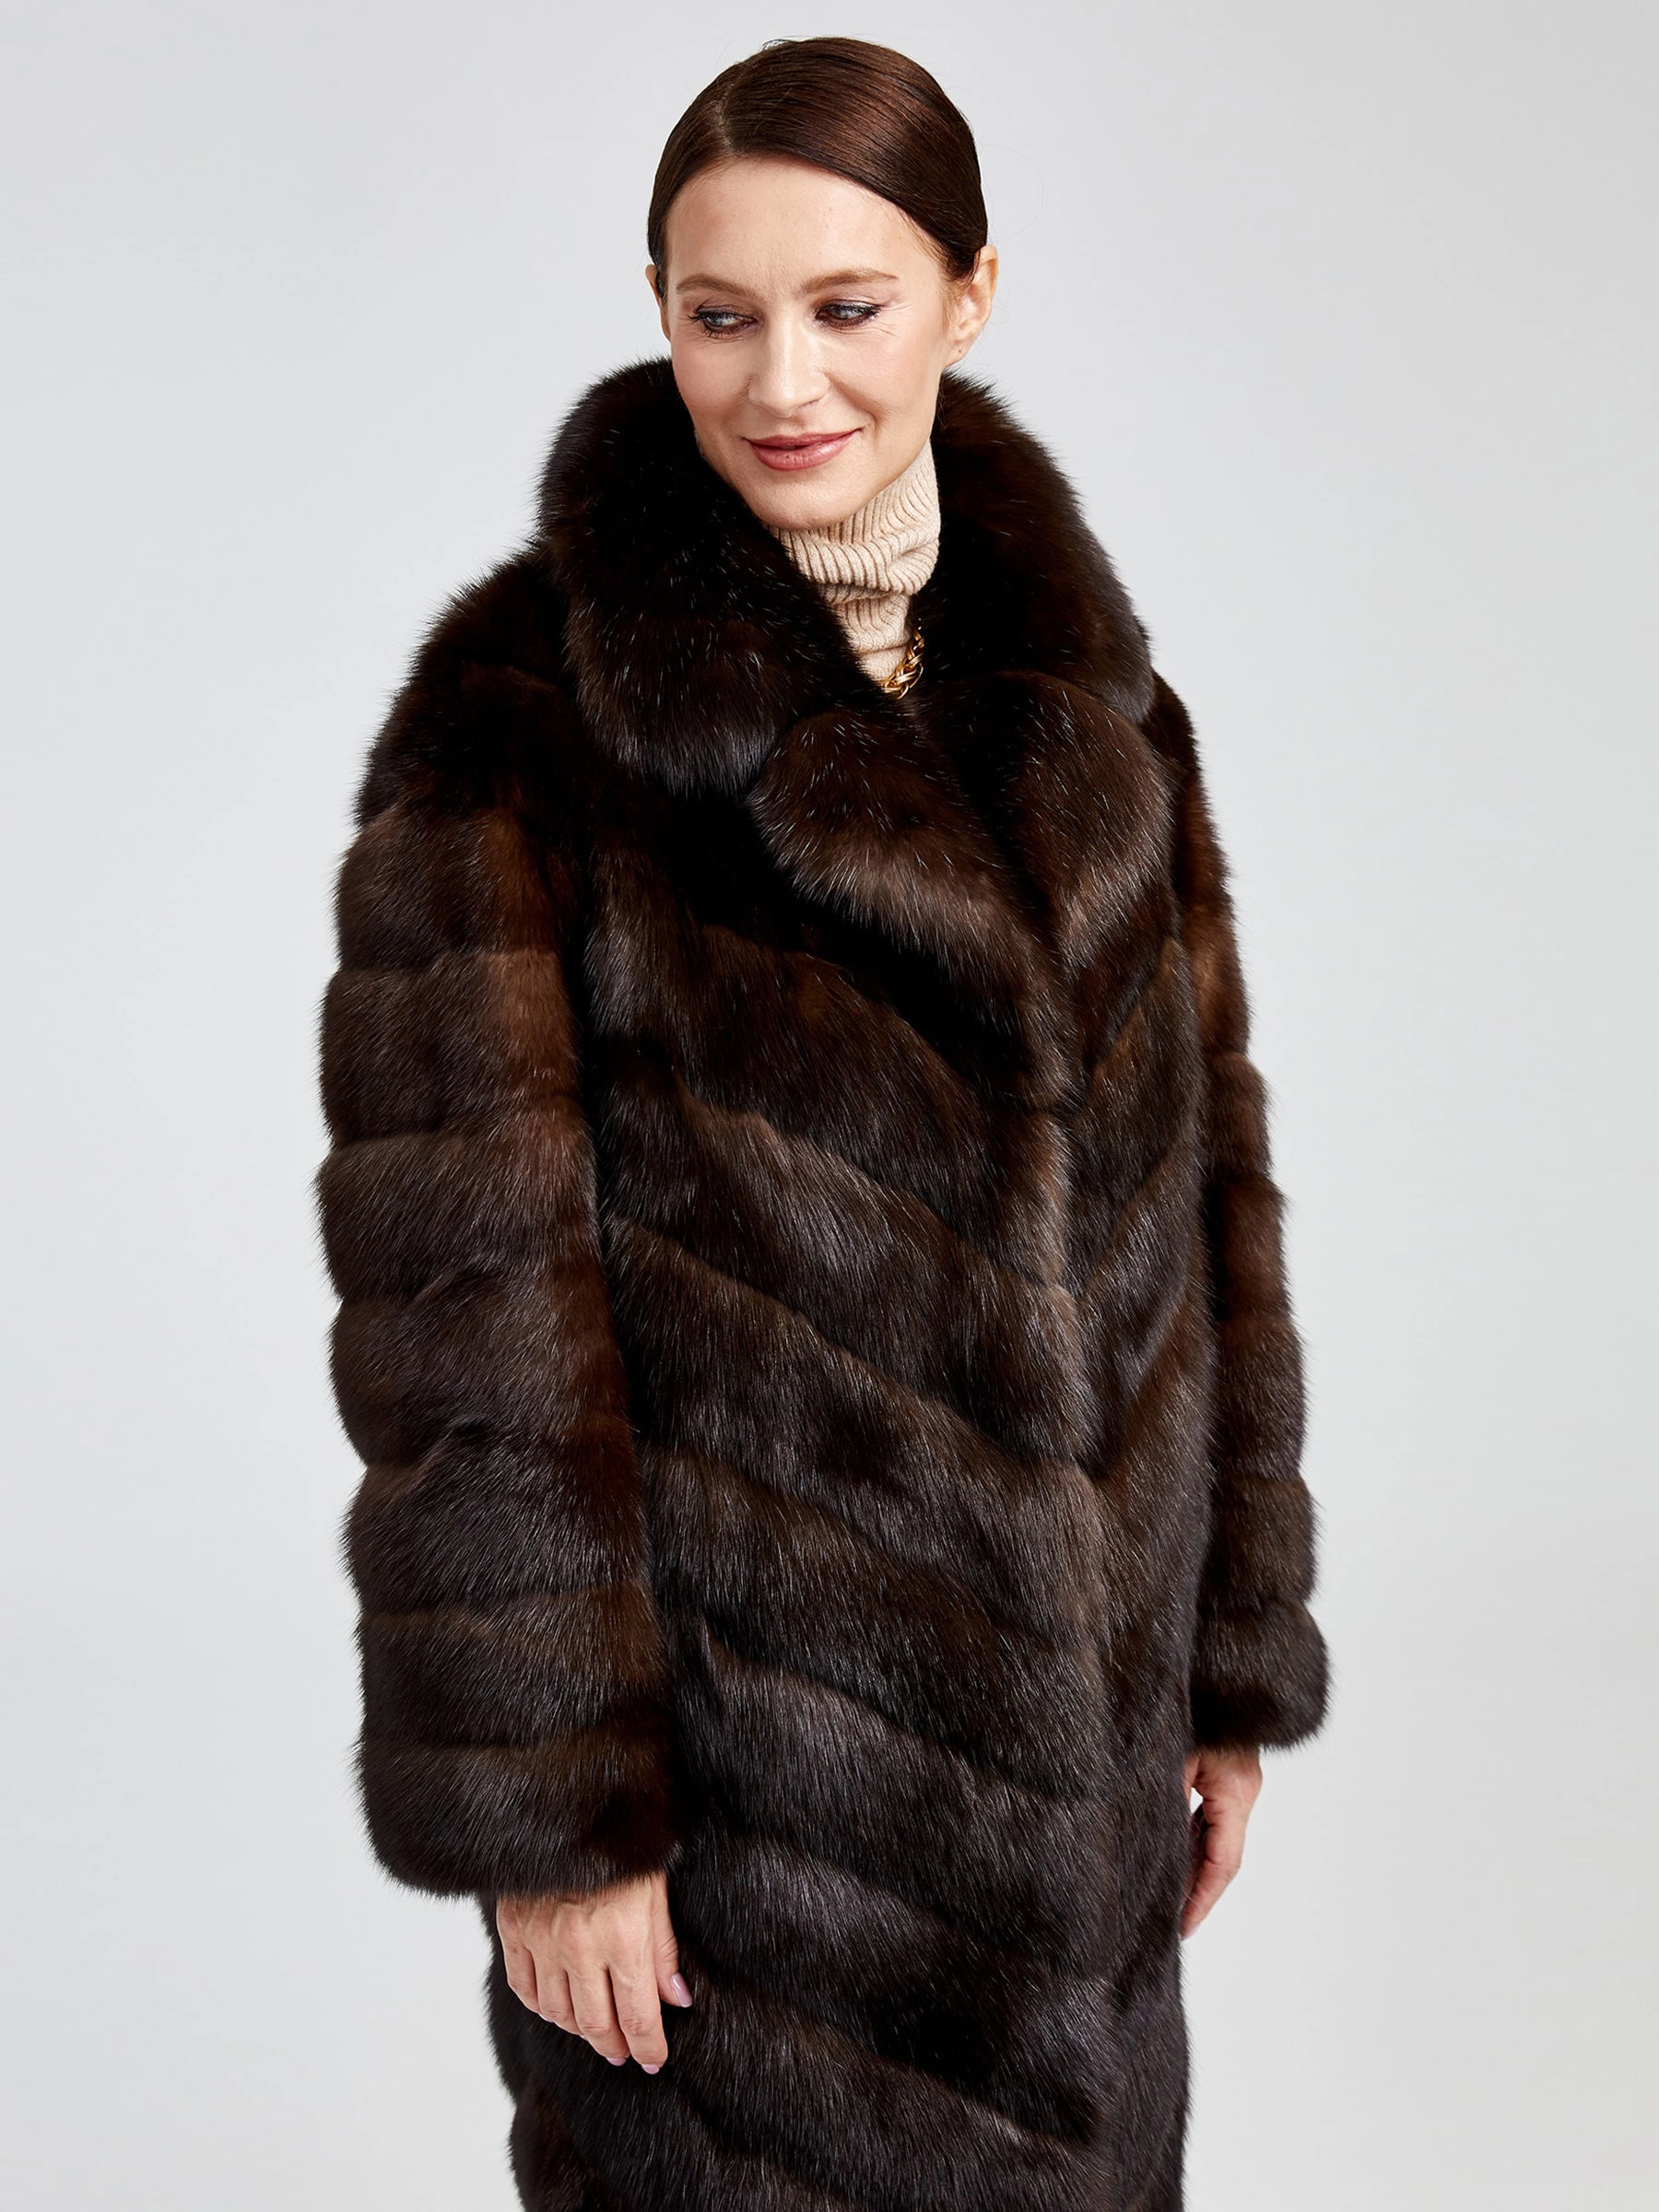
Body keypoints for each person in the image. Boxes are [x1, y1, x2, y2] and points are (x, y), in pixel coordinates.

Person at [317, 34, 1329, 2211]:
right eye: (720, 313)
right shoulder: (523, 722)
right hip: (739, 1846)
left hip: (1077, 1826)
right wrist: (556, 1822)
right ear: (659, 311)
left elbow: (1211, 1203)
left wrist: (1224, 1665)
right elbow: (468, 1325)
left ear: (971, 294)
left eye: (849, 305)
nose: (784, 379)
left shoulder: (1108, 722)